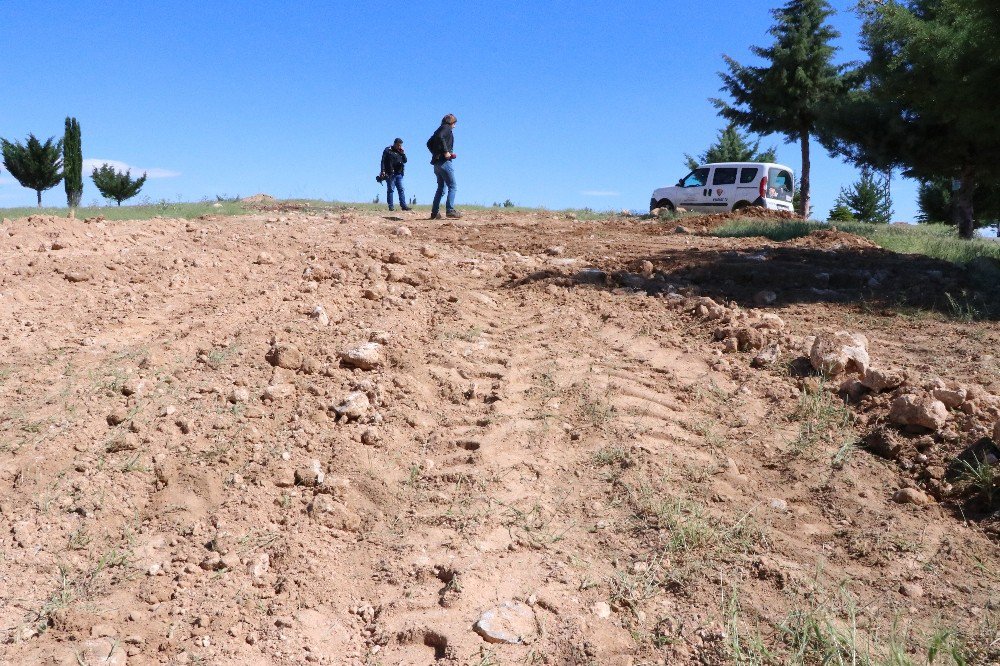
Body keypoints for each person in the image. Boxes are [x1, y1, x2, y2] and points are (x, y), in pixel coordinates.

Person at [427, 114, 461, 219]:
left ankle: (434, 213)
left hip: (437, 163)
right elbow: (440, 136)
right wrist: (446, 152)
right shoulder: (446, 128)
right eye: (454, 123)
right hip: (445, 163)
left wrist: (435, 153)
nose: (455, 126)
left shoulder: (439, 129)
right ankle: (450, 210)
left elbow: (428, 143)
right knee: (453, 186)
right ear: (451, 122)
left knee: (441, 188)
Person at [380, 138, 410, 211]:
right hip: (390, 173)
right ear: (395, 144)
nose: (399, 147)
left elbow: (405, 161)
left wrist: (403, 153)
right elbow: (383, 161)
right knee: (390, 190)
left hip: (399, 173)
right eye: (398, 145)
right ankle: (391, 206)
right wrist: (383, 171)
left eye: (400, 145)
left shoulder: (400, 152)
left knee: (401, 189)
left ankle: (403, 206)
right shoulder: (388, 150)